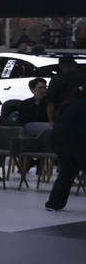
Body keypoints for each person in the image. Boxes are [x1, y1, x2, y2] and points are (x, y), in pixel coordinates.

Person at [47, 83, 86, 212]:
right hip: (77, 143)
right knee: (67, 173)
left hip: (60, 142)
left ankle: (53, 204)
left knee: (66, 174)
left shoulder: (69, 104)